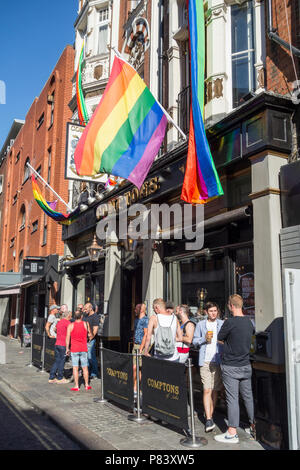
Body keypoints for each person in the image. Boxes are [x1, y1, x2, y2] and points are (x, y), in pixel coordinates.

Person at [214, 294, 255, 444]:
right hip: (245, 365)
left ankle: (232, 432)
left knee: (232, 399)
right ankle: (252, 426)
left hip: (231, 365)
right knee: (248, 396)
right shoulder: (250, 323)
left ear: (231, 306)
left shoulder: (229, 322)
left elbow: (219, 338)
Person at [193, 302, 224, 432]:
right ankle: (209, 419)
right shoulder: (200, 325)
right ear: (206, 312)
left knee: (215, 390)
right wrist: (203, 339)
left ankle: (209, 413)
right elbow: (194, 341)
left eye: (215, 311)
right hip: (205, 360)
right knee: (207, 389)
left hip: (217, 360)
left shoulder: (222, 324)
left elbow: (226, 340)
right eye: (211, 311)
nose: (213, 313)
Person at [66, 310, 92, 391]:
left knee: (75, 368)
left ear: (74, 317)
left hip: (74, 349)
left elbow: (67, 338)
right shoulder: (86, 324)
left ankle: (77, 386)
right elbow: (90, 334)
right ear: (81, 316)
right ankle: (87, 385)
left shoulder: (70, 325)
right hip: (83, 348)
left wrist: (67, 348)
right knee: (85, 367)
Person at [48, 310, 72, 384]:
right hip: (63, 345)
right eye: (70, 316)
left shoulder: (60, 322)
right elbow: (71, 332)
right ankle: (60, 378)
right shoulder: (68, 323)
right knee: (62, 361)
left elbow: (55, 329)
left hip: (57, 343)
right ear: (68, 316)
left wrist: (60, 333)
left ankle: (51, 377)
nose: (71, 317)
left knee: (57, 361)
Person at [132, 303, 148, 396]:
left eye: (136, 309)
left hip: (140, 346)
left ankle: (136, 387)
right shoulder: (136, 320)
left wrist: (141, 348)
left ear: (141, 310)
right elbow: (135, 331)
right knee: (135, 367)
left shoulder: (145, 320)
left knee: (137, 367)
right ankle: (136, 386)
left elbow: (146, 334)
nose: (135, 311)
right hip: (136, 345)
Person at [83, 303, 99, 379]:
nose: (84, 310)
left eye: (86, 309)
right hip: (83, 339)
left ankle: (94, 373)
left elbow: (95, 329)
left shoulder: (95, 316)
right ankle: (88, 372)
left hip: (90, 340)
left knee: (91, 356)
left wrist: (90, 339)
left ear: (91, 308)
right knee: (86, 357)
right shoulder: (85, 316)